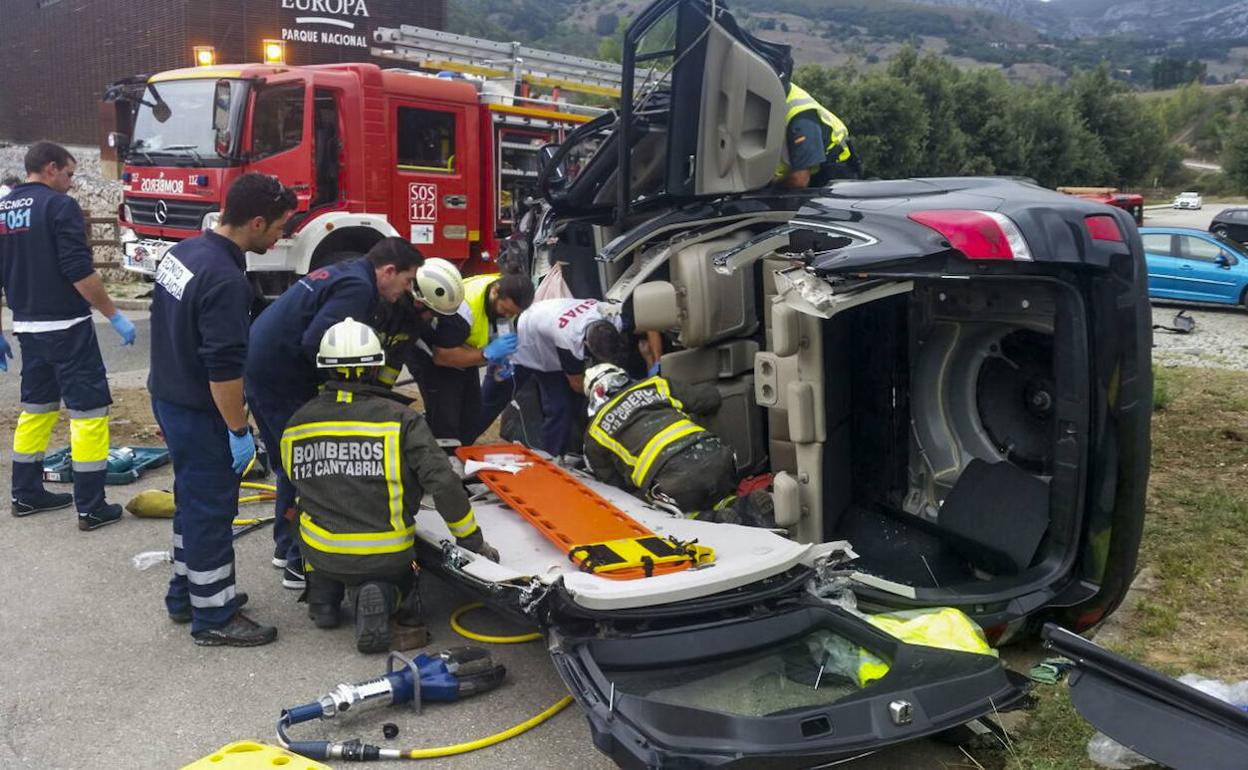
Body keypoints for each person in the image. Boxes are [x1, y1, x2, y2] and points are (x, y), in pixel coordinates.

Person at [281, 317, 499, 653]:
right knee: (404, 576)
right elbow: (441, 482)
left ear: (324, 367)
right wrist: (471, 540)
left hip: (320, 550)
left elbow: (297, 483)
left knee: (307, 513)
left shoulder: (297, 422)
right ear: (375, 368)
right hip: (385, 553)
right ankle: (384, 594)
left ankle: (322, 598)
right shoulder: (401, 419)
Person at [148, 172, 296, 646]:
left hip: (169, 395)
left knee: (192, 501)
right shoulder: (224, 279)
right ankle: (214, 616)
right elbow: (224, 372)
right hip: (200, 409)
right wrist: (238, 429)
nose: (282, 236)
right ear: (256, 222)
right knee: (212, 508)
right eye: (279, 227)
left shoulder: (185, 253)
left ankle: (186, 593)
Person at [245, 238, 423, 592]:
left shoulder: (347, 271)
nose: (405, 291)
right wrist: (339, 399)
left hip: (261, 366)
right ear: (388, 271)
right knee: (308, 462)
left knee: (288, 462)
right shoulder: (358, 289)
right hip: (283, 375)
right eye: (406, 281)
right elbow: (317, 342)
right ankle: (300, 563)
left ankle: (285, 546)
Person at [0, 141, 136, 529]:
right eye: (69, 174)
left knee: (36, 410)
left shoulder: (4, 210)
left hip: (27, 327)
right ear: (50, 167)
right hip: (67, 328)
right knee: (89, 413)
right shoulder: (58, 207)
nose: (72, 183)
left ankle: (25, 495)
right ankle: (91, 507)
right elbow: (78, 269)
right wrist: (114, 315)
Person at [582, 363, 774, 527]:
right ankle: (745, 505)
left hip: (673, 484)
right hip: (718, 458)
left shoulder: (595, 432)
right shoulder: (655, 385)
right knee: (716, 490)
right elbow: (710, 398)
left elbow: (614, 485)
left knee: (662, 511)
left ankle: (710, 521)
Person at [471, 296, 628, 457]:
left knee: (560, 408)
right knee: (491, 400)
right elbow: (576, 383)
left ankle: (551, 460)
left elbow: (646, 324)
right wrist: (605, 393)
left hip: (549, 346)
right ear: (586, 343)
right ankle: (460, 442)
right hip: (522, 344)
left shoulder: (612, 315)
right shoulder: (570, 339)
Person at [417, 271, 532, 444]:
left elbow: (500, 322)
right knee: (446, 417)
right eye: (505, 310)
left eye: (513, 313)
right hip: (431, 350)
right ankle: (440, 457)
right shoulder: (464, 308)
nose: (508, 315)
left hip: (462, 346)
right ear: (495, 292)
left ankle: (461, 452)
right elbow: (442, 356)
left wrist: (503, 357)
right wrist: (486, 354)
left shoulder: (507, 294)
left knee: (470, 416)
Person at [773, 83, 858, 189]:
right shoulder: (767, 91)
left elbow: (799, 180)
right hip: (796, 176)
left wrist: (771, 185)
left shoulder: (801, 118)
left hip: (832, 175)